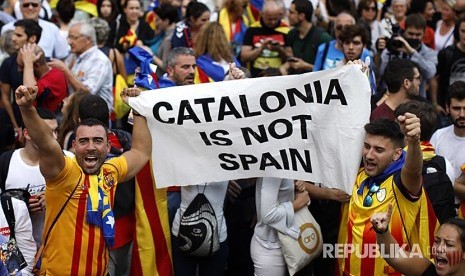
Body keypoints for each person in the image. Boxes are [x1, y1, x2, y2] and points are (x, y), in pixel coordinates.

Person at [14, 84, 151, 275]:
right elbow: (45, 142)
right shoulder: (63, 173)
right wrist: (27, 109)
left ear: (108, 146)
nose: (91, 147)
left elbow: (141, 151)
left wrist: (138, 107)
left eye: (97, 140)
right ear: (73, 145)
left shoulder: (111, 172)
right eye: (84, 141)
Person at [337, 116, 436, 276]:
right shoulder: (359, 175)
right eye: (367, 146)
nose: (369, 155)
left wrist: (413, 141)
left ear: (397, 154)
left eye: (379, 150)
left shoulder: (401, 183)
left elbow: (413, 170)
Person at [0, 108, 64, 247]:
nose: (54, 137)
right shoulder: (6, 163)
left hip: (59, 251)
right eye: (47, 131)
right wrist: (21, 206)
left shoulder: (67, 160)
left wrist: (54, 198)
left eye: (55, 130)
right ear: (27, 134)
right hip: (19, 254)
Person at [371, 207, 465, 275]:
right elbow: (394, 255)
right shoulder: (426, 269)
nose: (439, 249)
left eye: (449, 244)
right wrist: (382, 231)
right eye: (437, 241)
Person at [48, 20, 114, 112]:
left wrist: (65, 70)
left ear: (88, 40)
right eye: (69, 37)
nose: (69, 42)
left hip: (95, 117)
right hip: (74, 113)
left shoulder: (99, 60)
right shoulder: (72, 56)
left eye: (73, 38)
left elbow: (88, 92)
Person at [251, 178, 309, 276]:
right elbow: (268, 215)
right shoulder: (274, 168)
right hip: (270, 248)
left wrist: (298, 188)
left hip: (288, 243)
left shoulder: (286, 165)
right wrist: (298, 203)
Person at [0, 19, 41, 142]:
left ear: (32, 38)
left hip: (39, 119)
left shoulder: (43, 62)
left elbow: (32, 91)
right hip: (16, 117)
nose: (13, 38)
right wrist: (15, 126)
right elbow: (5, 98)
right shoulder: (8, 63)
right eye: (14, 34)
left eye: (19, 35)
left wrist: (28, 63)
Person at [379, 13, 437, 99]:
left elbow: (430, 73)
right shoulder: (395, 48)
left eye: (418, 35)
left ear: (424, 33)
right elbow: (381, 73)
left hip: (417, 101)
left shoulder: (429, 53)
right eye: (410, 33)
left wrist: (412, 53)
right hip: (392, 99)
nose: (414, 37)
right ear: (404, 31)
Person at [430, 81, 465, 202]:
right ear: (447, 108)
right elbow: (429, 177)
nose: (462, 114)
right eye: (456, 108)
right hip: (440, 209)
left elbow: (435, 179)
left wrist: (443, 180)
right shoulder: (438, 136)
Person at [1, 0, 69, 59]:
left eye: (34, 5)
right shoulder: (7, 28)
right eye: (26, 5)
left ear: (40, 7)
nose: (30, 8)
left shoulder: (52, 28)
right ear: (20, 7)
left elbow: (62, 56)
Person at [240, 0, 291, 77]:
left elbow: (290, 57)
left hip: (279, 75)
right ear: (262, 14)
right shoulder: (252, 30)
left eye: (276, 19)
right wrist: (261, 47)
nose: (273, 22)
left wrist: (279, 49)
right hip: (256, 76)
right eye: (270, 19)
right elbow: (244, 57)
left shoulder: (285, 30)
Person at [280, 0, 331, 75]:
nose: (288, 15)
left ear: (301, 16)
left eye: (291, 12)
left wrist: (306, 66)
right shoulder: (291, 34)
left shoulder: (322, 38)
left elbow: (330, 69)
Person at [17, 43, 68, 113]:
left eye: (23, 66)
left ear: (37, 65)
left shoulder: (55, 76)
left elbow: (29, 93)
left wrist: (28, 64)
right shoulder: (37, 75)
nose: (18, 70)